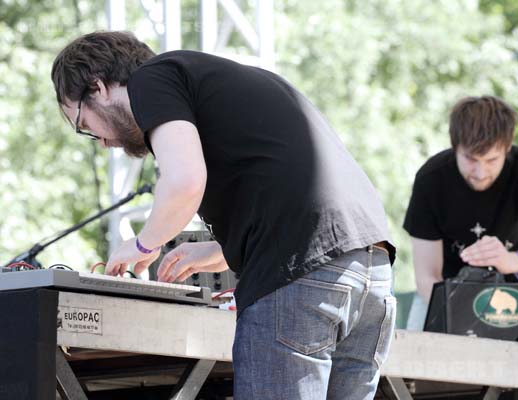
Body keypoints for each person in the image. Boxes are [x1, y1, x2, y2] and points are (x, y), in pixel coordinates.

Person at [51, 31, 397, 399]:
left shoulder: (152, 78)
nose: (103, 142)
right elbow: (286, 184)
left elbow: (184, 181)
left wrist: (142, 244)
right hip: (371, 269)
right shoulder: (230, 81)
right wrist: (219, 250)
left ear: (98, 87)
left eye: (85, 126)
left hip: (302, 276)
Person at [403, 95, 518, 330]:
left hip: (513, 302)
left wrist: (509, 260)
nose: (480, 172)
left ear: (507, 148)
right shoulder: (431, 178)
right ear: (455, 146)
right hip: (444, 298)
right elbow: (427, 278)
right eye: (470, 159)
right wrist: (460, 317)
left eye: (491, 160)